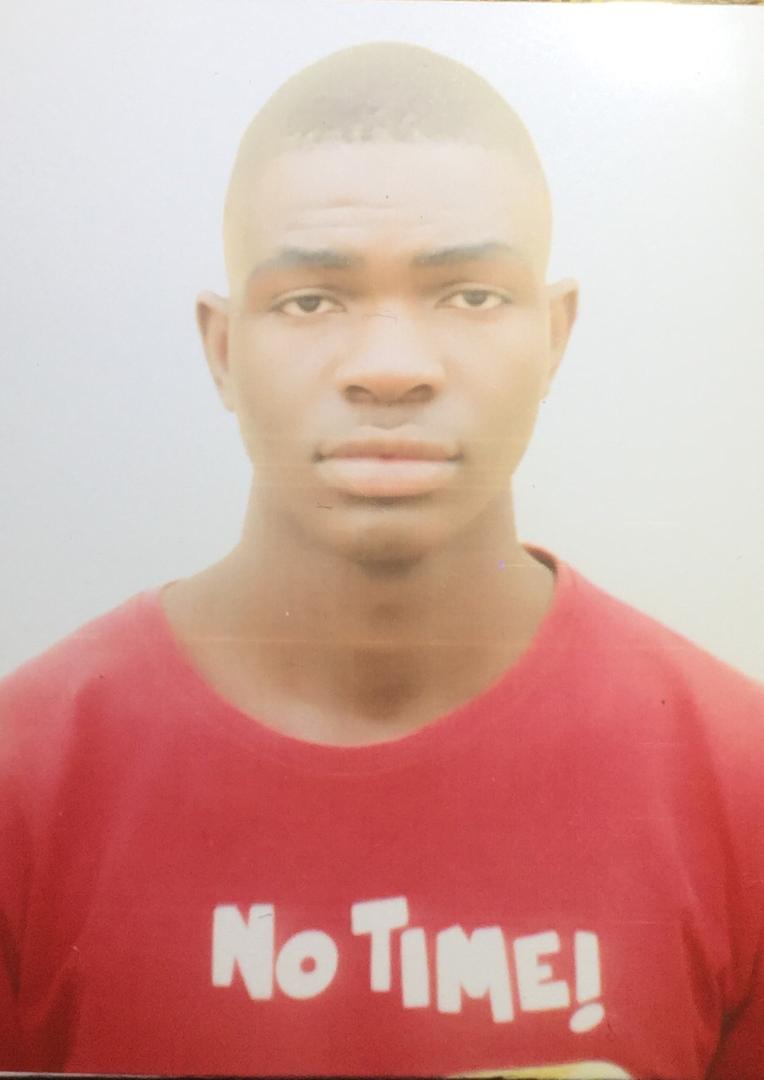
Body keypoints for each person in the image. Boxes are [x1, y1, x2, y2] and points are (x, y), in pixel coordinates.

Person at [0, 41, 762, 1080]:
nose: (391, 369)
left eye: (470, 296)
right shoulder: (23, 782)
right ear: (222, 349)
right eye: (311, 301)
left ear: (554, 336)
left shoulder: (742, 784)